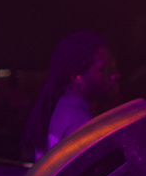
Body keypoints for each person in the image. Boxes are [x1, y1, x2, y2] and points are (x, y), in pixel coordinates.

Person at [21, 31, 121, 161]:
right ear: (77, 77)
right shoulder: (80, 126)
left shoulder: (60, 108)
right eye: (104, 69)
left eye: (113, 68)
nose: (116, 75)